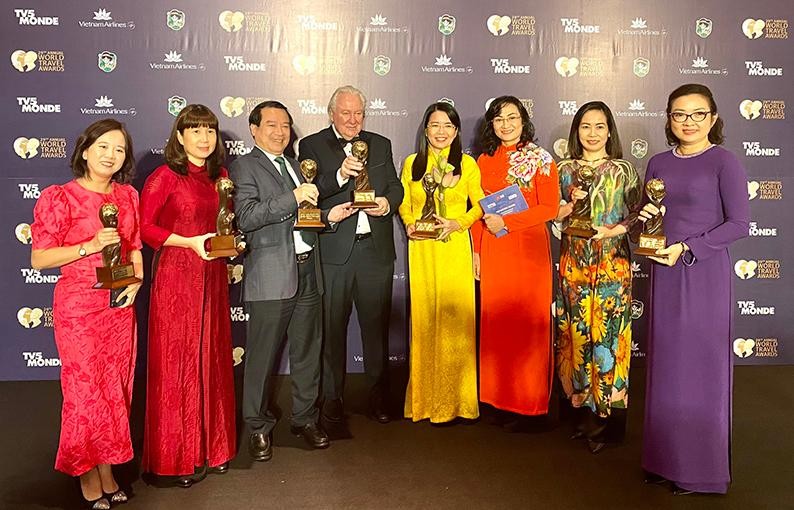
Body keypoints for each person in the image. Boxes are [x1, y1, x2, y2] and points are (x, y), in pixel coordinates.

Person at [639, 84, 749, 495]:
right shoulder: (658, 162)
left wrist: (688, 248)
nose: (688, 122)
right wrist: (641, 220)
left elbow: (739, 224)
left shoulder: (724, 162)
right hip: (664, 272)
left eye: (698, 114)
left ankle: (700, 471)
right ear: (668, 119)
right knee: (666, 365)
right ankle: (662, 460)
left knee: (699, 368)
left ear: (713, 118)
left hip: (702, 273)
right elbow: (648, 215)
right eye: (679, 114)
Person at [230, 100, 354, 460]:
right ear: (254, 130)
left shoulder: (297, 166)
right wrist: (294, 196)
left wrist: (329, 216)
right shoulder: (244, 167)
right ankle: (257, 426)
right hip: (271, 275)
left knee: (307, 352)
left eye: (285, 125)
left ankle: (305, 418)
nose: (280, 132)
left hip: (308, 270)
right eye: (271, 125)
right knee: (261, 357)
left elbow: (305, 216)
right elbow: (247, 216)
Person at [31, 119, 142, 509]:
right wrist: (89, 246)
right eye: (103, 147)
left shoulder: (128, 196)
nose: (111, 155)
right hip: (79, 308)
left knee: (116, 389)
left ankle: (108, 469)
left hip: (119, 307)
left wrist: (137, 280)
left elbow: (134, 246)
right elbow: (40, 258)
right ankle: (86, 473)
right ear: (85, 150)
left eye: (119, 149)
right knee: (85, 392)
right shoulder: (60, 197)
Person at [139, 104, 236, 487]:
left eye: (209, 130)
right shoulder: (164, 177)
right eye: (195, 130)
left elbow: (224, 223)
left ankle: (214, 448)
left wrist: (232, 244)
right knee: (178, 363)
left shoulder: (220, 177)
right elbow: (145, 228)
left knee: (212, 357)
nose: (204, 138)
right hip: (177, 278)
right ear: (179, 137)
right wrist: (188, 242)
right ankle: (178, 456)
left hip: (213, 275)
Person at [298, 85, 404, 425]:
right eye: (346, 113)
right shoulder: (311, 145)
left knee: (376, 329)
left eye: (358, 113)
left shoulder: (381, 144)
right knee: (331, 330)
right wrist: (341, 174)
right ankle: (332, 399)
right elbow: (310, 192)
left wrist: (387, 203)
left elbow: (395, 186)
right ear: (332, 114)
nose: (353, 119)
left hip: (375, 251)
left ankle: (378, 396)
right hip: (334, 253)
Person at [554, 101, 641, 453]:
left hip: (612, 265)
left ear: (609, 131)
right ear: (576, 131)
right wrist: (567, 205)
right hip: (573, 265)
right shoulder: (563, 169)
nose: (592, 133)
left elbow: (639, 213)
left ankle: (608, 420)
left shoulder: (624, 170)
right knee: (574, 336)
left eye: (600, 126)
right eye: (585, 126)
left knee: (608, 340)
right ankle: (579, 414)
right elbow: (553, 215)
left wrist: (613, 230)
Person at [473, 96, 559, 427]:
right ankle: (498, 399)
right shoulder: (483, 160)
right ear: (491, 124)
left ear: (524, 120)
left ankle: (529, 405)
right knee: (498, 324)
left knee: (527, 327)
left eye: (512, 117)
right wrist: (476, 251)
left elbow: (549, 208)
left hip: (528, 252)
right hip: (494, 250)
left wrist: (508, 222)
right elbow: (478, 210)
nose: (506, 124)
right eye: (499, 119)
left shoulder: (540, 158)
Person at [398, 102, 484, 423]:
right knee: (425, 321)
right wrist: (409, 223)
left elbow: (480, 205)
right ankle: (424, 402)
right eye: (435, 125)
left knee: (455, 322)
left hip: (454, 247)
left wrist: (458, 223)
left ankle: (458, 403)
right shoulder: (412, 163)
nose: (441, 131)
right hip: (422, 248)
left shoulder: (467, 164)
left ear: (457, 131)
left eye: (448, 125)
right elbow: (405, 203)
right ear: (425, 129)